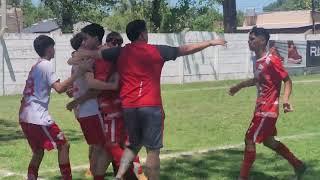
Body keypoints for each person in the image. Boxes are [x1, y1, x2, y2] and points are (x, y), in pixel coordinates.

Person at [70, 19, 227, 180]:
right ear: (143, 34)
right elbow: (184, 49)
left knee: (131, 147)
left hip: (129, 108)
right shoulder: (156, 50)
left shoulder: (120, 52)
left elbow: (90, 54)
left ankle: (119, 176)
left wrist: (77, 58)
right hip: (150, 107)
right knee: (152, 152)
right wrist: (210, 42)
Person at [228, 27, 306, 180]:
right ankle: (298, 165)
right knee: (269, 142)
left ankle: (242, 178)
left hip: (268, 109)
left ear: (262, 41)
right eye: (249, 39)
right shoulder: (257, 61)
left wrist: (285, 100)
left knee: (249, 139)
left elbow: (287, 81)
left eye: (252, 39)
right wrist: (238, 87)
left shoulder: (272, 60)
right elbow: (257, 80)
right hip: (261, 107)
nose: (249, 42)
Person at [68, 31, 147, 180]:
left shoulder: (106, 56)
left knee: (108, 146)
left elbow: (91, 83)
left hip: (108, 109)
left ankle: (132, 174)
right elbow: (88, 81)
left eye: (118, 42)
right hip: (102, 110)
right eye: (112, 41)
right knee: (105, 147)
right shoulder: (95, 56)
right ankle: (130, 174)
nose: (115, 44)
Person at [19, 35, 90, 180]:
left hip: (24, 116)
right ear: (49, 48)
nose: (54, 50)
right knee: (64, 145)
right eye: (53, 47)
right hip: (37, 117)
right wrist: (79, 73)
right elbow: (59, 88)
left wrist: (69, 88)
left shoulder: (36, 66)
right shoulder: (46, 65)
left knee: (38, 151)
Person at [69, 24, 119, 180]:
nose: (84, 42)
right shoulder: (91, 57)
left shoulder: (97, 54)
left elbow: (72, 59)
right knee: (108, 147)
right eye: (82, 40)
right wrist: (112, 86)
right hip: (95, 111)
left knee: (98, 148)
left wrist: (76, 100)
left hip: (89, 111)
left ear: (95, 38)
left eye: (86, 38)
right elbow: (92, 86)